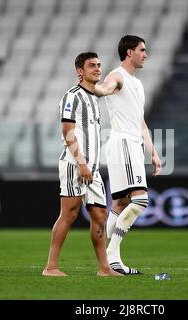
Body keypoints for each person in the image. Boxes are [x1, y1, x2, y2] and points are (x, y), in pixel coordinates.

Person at [43, 52, 122, 277]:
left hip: (93, 169)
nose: (97, 68)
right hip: (74, 165)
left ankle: (104, 268)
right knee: (69, 214)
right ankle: (51, 267)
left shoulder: (94, 98)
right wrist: (81, 163)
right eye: (91, 66)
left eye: (99, 65)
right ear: (80, 71)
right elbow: (68, 132)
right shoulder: (73, 97)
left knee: (99, 215)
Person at [94, 35, 162, 275]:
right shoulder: (117, 76)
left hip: (129, 143)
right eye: (142, 50)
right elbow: (105, 88)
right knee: (141, 200)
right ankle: (113, 257)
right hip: (123, 142)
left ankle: (104, 259)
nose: (145, 54)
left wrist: (153, 153)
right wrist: (98, 88)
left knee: (121, 203)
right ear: (129, 52)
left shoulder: (137, 84)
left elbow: (141, 122)